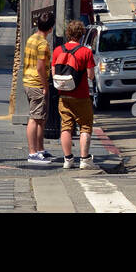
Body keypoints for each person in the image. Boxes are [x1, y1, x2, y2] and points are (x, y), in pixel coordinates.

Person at [52, 20, 97, 170]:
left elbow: (54, 73)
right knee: (85, 126)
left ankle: (68, 160)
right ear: (81, 34)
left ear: (68, 33)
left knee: (66, 127)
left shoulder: (58, 50)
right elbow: (90, 75)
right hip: (81, 95)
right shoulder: (86, 52)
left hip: (63, 95)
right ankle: (84, 160)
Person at [24, 10, 54, 164]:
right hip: (36, 83)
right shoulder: (43, 44)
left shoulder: (31, 39)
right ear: (51, 28)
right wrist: (45, 85)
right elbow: (41, 67)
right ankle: (32, 152)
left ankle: (40, 149)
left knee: (40, 117)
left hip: (28, 81)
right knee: (35, 118)